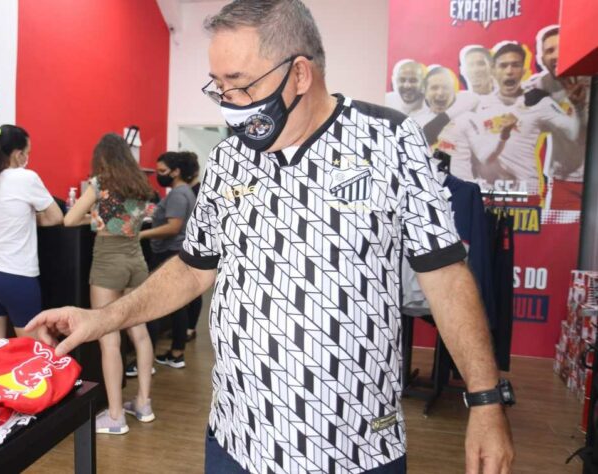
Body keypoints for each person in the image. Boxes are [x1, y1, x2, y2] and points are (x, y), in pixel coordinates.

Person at [27, 1, 514, 473]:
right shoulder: (228, 159)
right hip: (238, 440)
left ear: (300, 73)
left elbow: (446, 277)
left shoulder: (391, 141)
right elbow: (194, 269)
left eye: (239, 85)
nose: (229, 105)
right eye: (218, 87)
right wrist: (103, 318)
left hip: (357, 447)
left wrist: (486, 401)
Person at [64, 133, 157, 434]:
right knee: (140, 334)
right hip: (136, 261)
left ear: (101, 158)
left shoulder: (100, 184)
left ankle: (116, 416)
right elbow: (131, 221)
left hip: (108, 262)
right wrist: (101, 219)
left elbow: (68, 220)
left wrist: (93, 219)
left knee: (110, 339)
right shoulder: (142, 185)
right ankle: (143, 403)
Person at [0, 125, 62, 339]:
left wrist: (20, 219)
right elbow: (56, 217)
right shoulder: (25, 178)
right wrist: (27, 219)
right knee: (33, 353)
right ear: (18, 154)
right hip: (14, 277)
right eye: (27, 153)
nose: (27, 158)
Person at [470, 42, 579, 194]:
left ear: (523, 70)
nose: (509, 71)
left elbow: (572, 132)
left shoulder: (538, 101)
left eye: (515, 65)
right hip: (489, 192)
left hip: (525, 191)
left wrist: (577, 106)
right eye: (503, 66)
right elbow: (480, 155)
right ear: (493, 71)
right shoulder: (479, 105)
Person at [138, 151, 197, 369]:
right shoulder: (183, 192)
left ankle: (165, 355)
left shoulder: (178, 195)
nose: (159, 175)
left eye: (162, 171)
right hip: (175, 252)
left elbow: (173, 227)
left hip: (169, 253)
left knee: (162, 305)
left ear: (176, 171)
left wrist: (141, 234)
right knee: (177, 305)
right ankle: (176, 352)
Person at [524, 25, 590, 210]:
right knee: (557, 234)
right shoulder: (538, 85)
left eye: (561, 48)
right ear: (542, 59)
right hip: (564, 181)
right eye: (549, 50)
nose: (556, 55)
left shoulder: (592, 78)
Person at [183, 151, 204, 343]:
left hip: (195, 244)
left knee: (194, 290)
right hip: (189, 242)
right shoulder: (188, 191)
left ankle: (189, 328)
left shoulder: (197, 191)